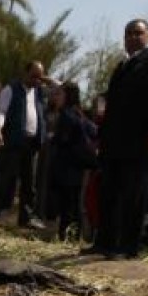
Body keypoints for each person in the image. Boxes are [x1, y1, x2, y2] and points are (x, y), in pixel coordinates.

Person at [87, 19, 148, 259]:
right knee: (109, 193)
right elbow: (113, 102)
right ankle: (104, 242)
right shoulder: (123, 67)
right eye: (128, 33)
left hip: (138, 141)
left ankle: (127, 247)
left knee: (133, 196)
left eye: (138, 33)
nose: (133, 38)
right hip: (114, 141)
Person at [0, 61, 48, 229]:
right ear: (25, 73)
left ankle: (26, 218)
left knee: (29, 184)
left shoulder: (39, 92)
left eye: (39, 76)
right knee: (4, 180)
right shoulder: (10, 89)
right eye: (33, 76)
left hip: (31, 144)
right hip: (13, 142)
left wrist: (46, 79)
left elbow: (63, 87)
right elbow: (2, 112)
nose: (36, 80)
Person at [49, 82, 97, 240]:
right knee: (74, 202)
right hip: (77, 166)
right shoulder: (79, 114)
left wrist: (53, 139)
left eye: (60, 94)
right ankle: (74, 236)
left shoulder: (67, 115)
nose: (56, 98)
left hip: (66, 165)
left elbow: (63, 139)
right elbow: (93, 132)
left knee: (67, 204)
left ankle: (66, 236)